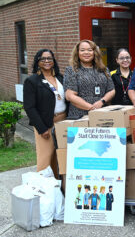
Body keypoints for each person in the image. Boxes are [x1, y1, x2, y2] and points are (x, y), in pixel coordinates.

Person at [23, 49, 67, 177]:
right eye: (43, 59)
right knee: (45, 159)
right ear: (38, 61)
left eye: (50, 58)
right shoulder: (32, 81)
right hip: (46, 124)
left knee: (59, 157)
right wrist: (42, 129)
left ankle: (56, 188)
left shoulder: (60, 78)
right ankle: (42, 189)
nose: (47, 61)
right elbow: (29, 107)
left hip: (63, 121)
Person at [64, 40, 115, 118]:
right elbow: (70, 95)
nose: (86, 53)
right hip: (79, 116)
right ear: (77, 53)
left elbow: (111, 90)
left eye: (90, 50)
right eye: (82, 50)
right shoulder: (72, 70)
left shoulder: (103, 69)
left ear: (94, 52)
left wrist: (102, 101)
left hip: (102, 114)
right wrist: (91, 108)